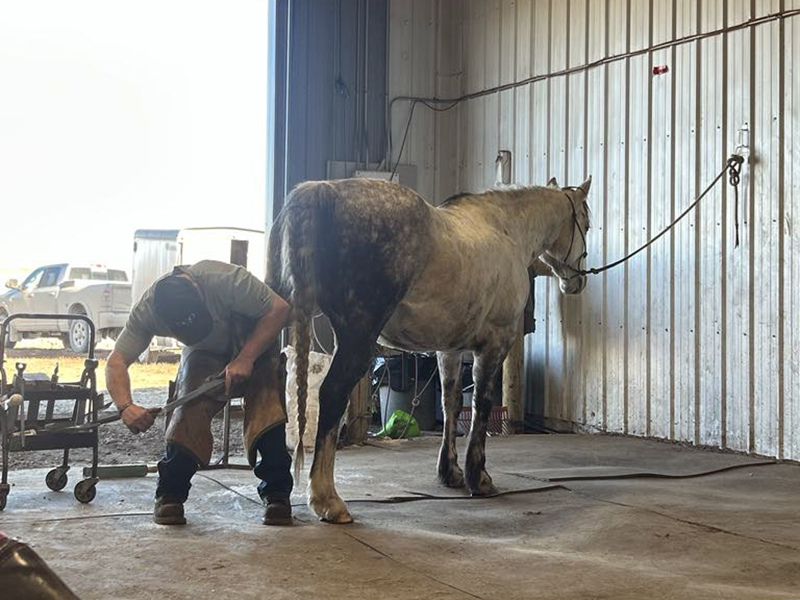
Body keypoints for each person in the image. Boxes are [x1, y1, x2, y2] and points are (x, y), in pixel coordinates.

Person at [105, 260, 292, 526]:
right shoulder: (147, 311)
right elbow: (116, 361)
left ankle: (277, 494)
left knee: (267, 404)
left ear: (197, 289)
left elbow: (279, 309)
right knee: (187, 408)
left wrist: (246, 358)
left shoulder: (226, 280)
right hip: (205, 352)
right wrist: (125, 406)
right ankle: (170, 493)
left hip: (254, 342)